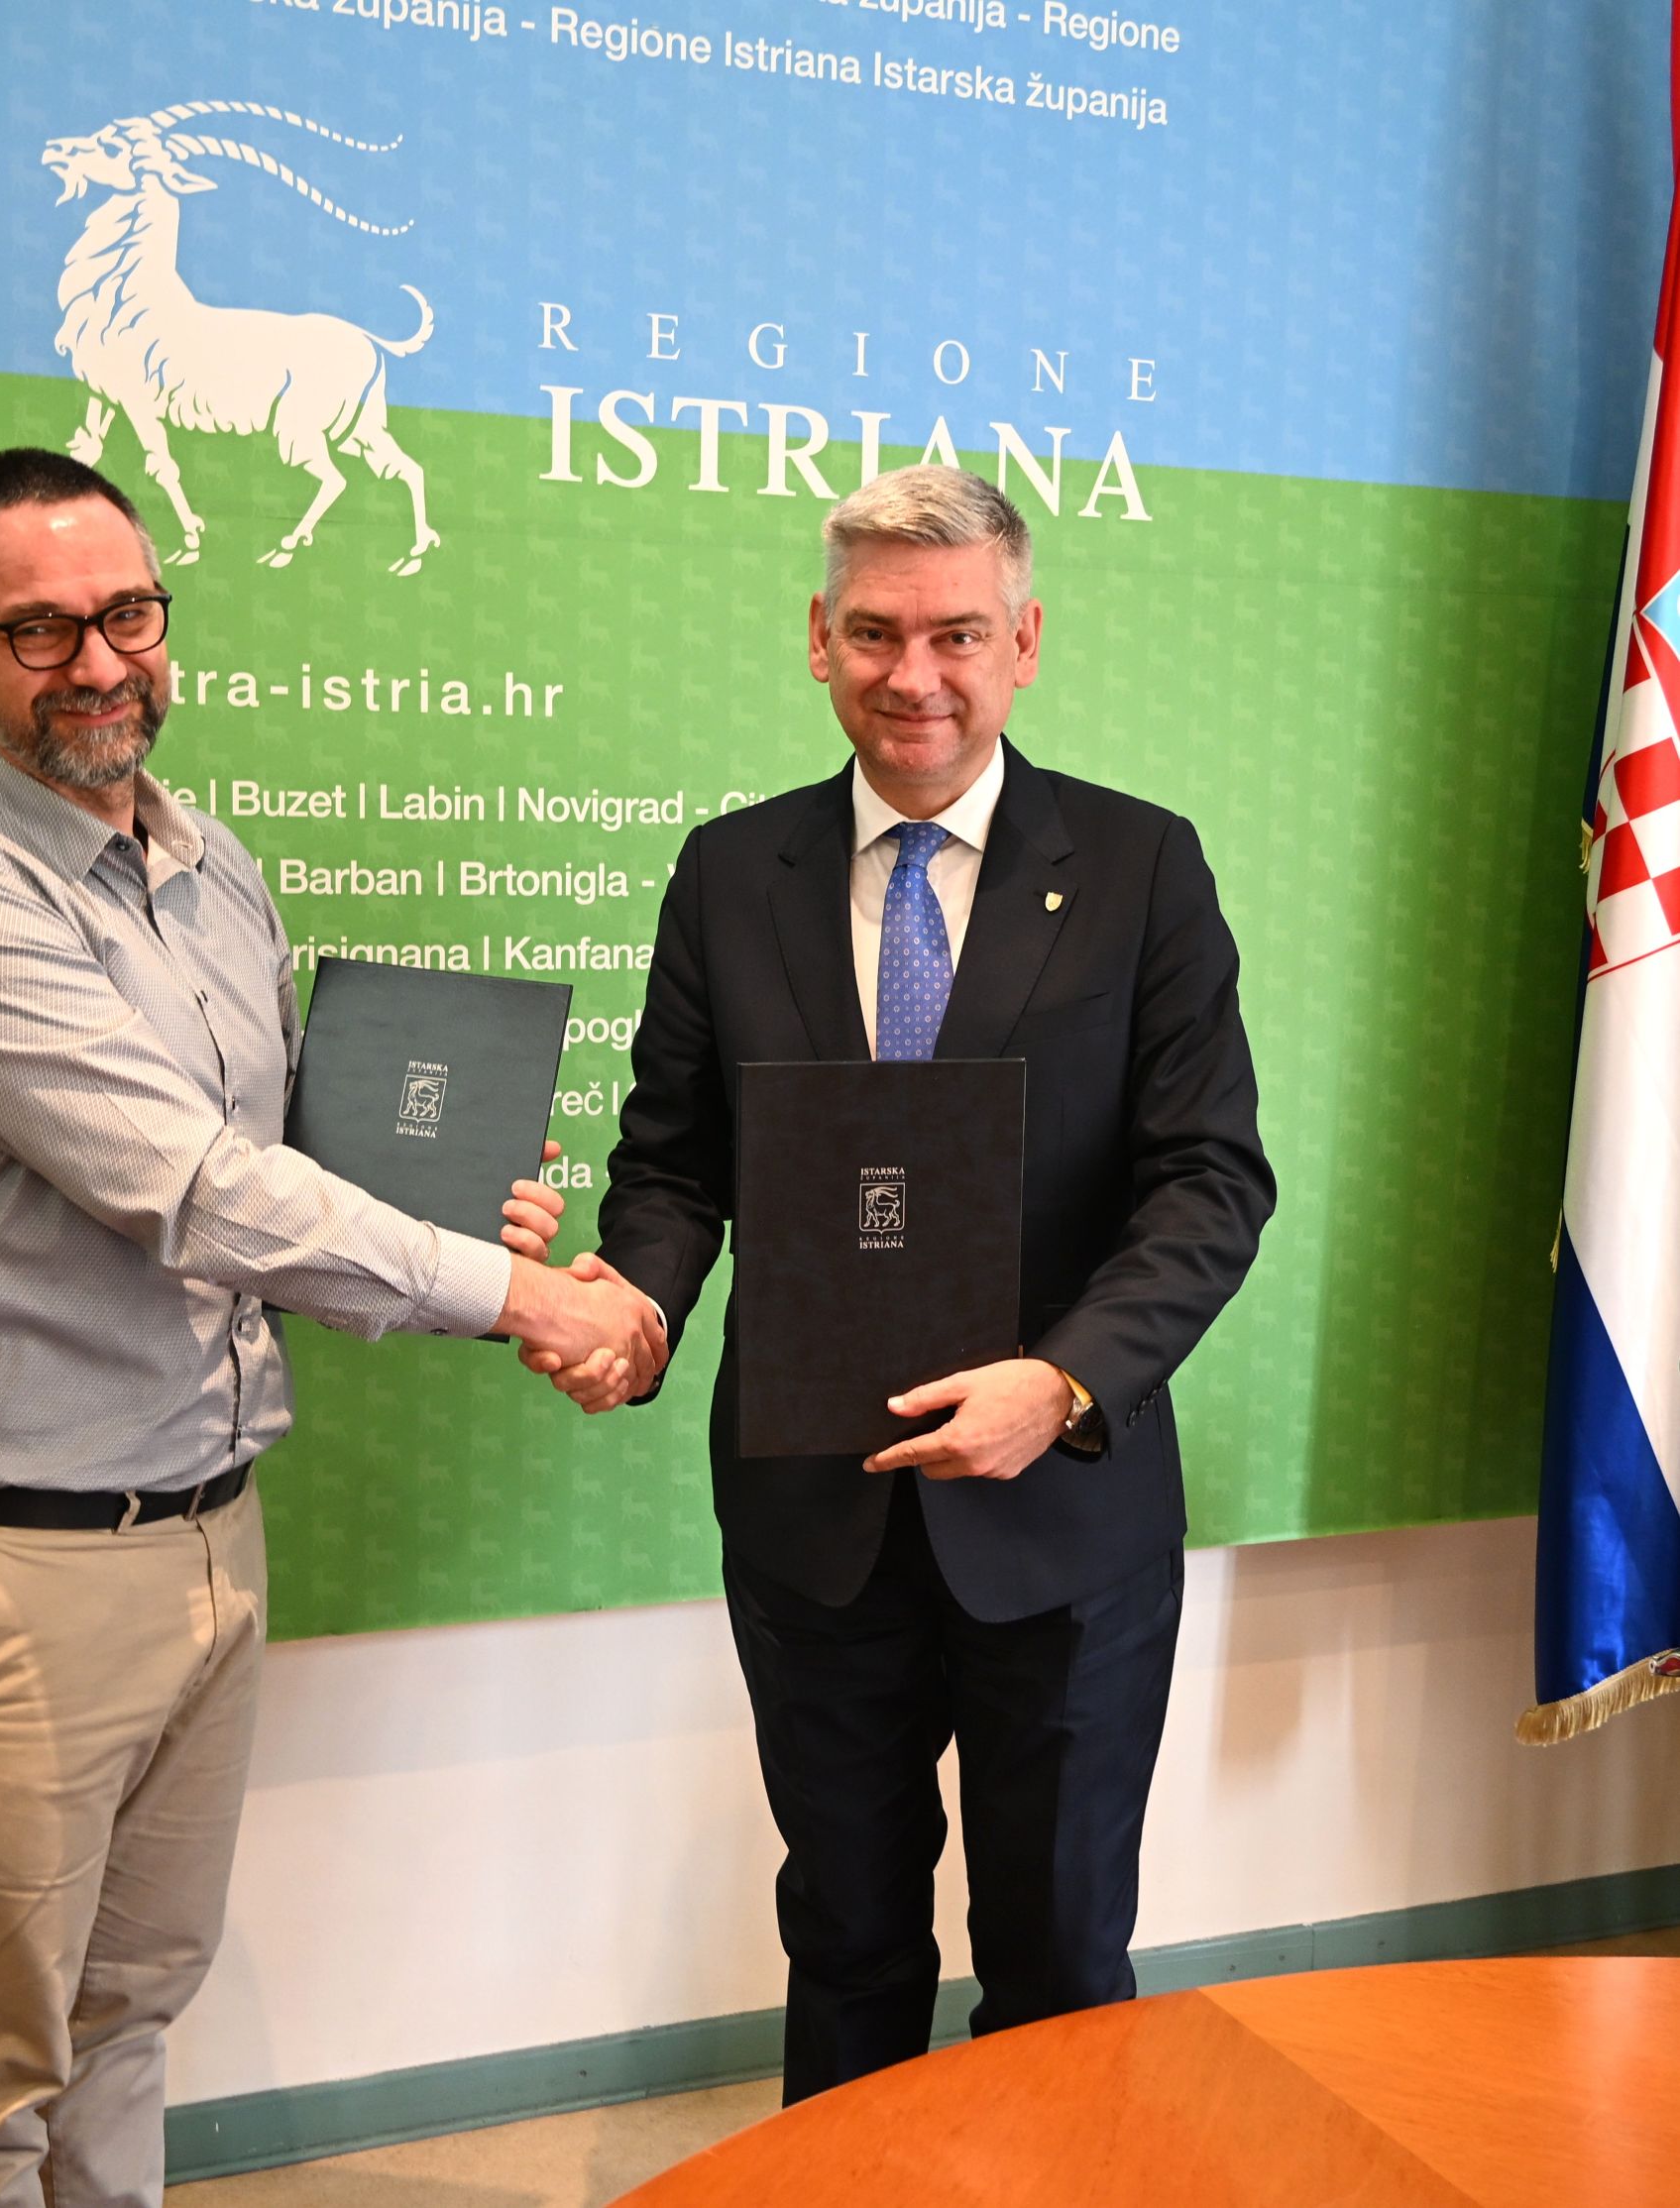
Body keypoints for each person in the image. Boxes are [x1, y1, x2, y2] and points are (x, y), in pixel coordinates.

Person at [0, 446, 662, 2207]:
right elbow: (201, 1193)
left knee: (131, 2007)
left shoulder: (213, 868)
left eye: (127, 613)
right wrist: (528, 1300)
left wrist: (473, 1235)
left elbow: (300, 1171)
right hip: (16, 1568)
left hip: (209, 1525)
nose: (99, 663)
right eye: (39, 630)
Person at [553, 466, 1276, 2100]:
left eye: (956, 634)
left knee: (1061, 1961)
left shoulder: (1143, 868)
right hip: (815, 1515)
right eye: (875, 632)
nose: (914, 675)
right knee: (848, 1942)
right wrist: (639, 1310)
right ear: (819, 639)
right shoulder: (732, 874)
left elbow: (1209, 1183)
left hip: (1062, 1519)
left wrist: (1064, 1382)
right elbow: (672, 1163)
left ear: (1025, 642)